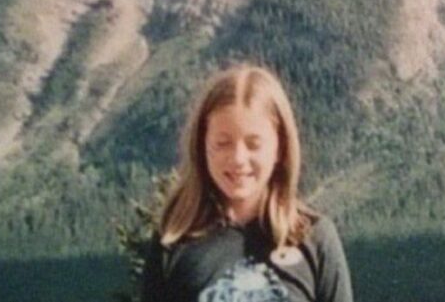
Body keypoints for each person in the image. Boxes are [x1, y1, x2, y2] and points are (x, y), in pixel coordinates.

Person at [140, 63, 353, 302]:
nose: (238, 159)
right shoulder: (174, 240)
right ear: (202, 146)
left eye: (254, 144)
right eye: (223, 143)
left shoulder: (315, 239)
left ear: (280, 148)